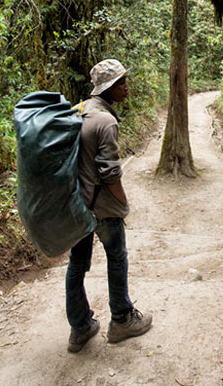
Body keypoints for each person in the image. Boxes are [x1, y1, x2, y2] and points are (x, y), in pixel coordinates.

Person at [65, 58, 152, 353]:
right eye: (121, 83)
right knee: (117, 258)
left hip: (78, 205)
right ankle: (122, 319)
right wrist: (123, 201)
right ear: (110, 88)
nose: (127, 87)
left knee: (77, 264)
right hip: (102, 207)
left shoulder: (79, 111)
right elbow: (110, 172)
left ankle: (79, 328)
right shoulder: (106, 121)